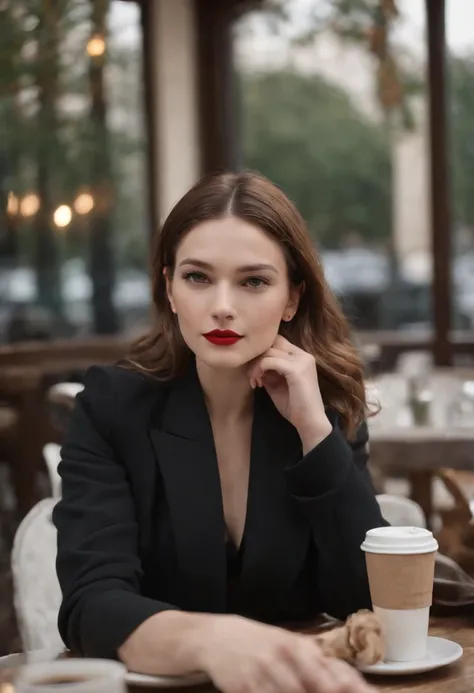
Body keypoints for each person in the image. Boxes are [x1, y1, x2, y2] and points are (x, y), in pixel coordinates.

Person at [53, 171, 384, 693]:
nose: (222, 305)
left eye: (253, 281)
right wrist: (214, 641)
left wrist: (315, 432)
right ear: (169, 287)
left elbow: (366, 601)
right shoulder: (111, 407)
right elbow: (92, 605)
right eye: (198, 277)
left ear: (292, 298)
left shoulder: (327, 409)